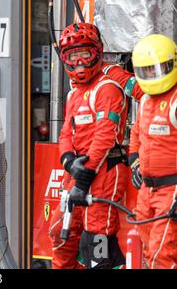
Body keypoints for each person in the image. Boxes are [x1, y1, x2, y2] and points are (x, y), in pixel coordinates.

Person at [48, 22, 130, 269]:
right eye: (73, 55)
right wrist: (69, 162)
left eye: (85, 53)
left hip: (104, 170)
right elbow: (65, 134)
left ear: (97, 52)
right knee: (60, 232)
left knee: (97, 238)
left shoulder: (107, 88)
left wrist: (84, 177)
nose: (80, 61)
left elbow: (105, 135)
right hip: (78, 171)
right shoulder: (74, 93)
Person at [129, 34, 177, 269]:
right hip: (146, 191)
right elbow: (136, 134)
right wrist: (135, 162)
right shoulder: (146, 100)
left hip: (171, 190)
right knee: (147, 251)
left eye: (157, 69)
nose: (152, 76)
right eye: (146, 71)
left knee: (162, 254)